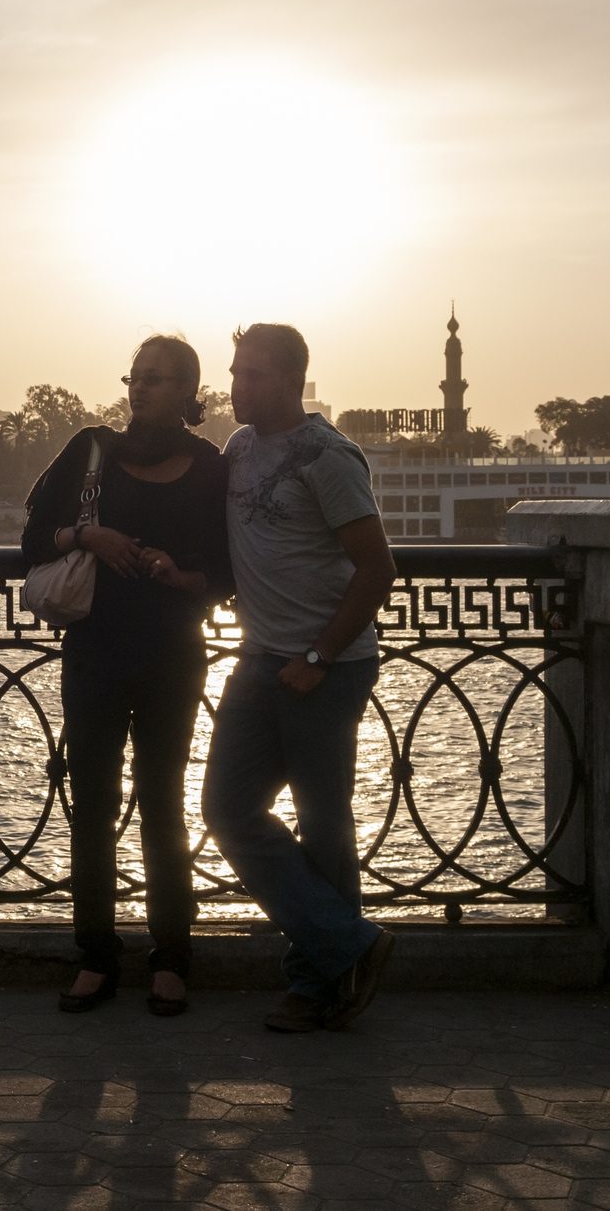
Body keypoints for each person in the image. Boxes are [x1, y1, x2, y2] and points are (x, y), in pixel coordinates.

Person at [22, 335, 231, 1017]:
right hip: (95, 652)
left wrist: (179, 573)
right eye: (134, 376)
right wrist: (89, 537)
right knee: (93, 804)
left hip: (172, 653)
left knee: (163, 801)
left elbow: (225, 571)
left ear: (187, 392)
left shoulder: (208, 467)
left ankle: (170, 954)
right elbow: (30, 539)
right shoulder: (93, 449)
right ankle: (96, 954)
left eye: (155, 378)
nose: (138, 388)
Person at [202, 323, 398, 1034]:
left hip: (326, 667)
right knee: (227, 807)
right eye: (233, 371)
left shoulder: (330, 456)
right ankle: (349, 946)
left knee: (322, 825)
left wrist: (316, 659)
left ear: (291, 379)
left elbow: (377, 569)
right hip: (260, 660)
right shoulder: (239, 448)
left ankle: (321, 987)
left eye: (251, 374)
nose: (235, 386)